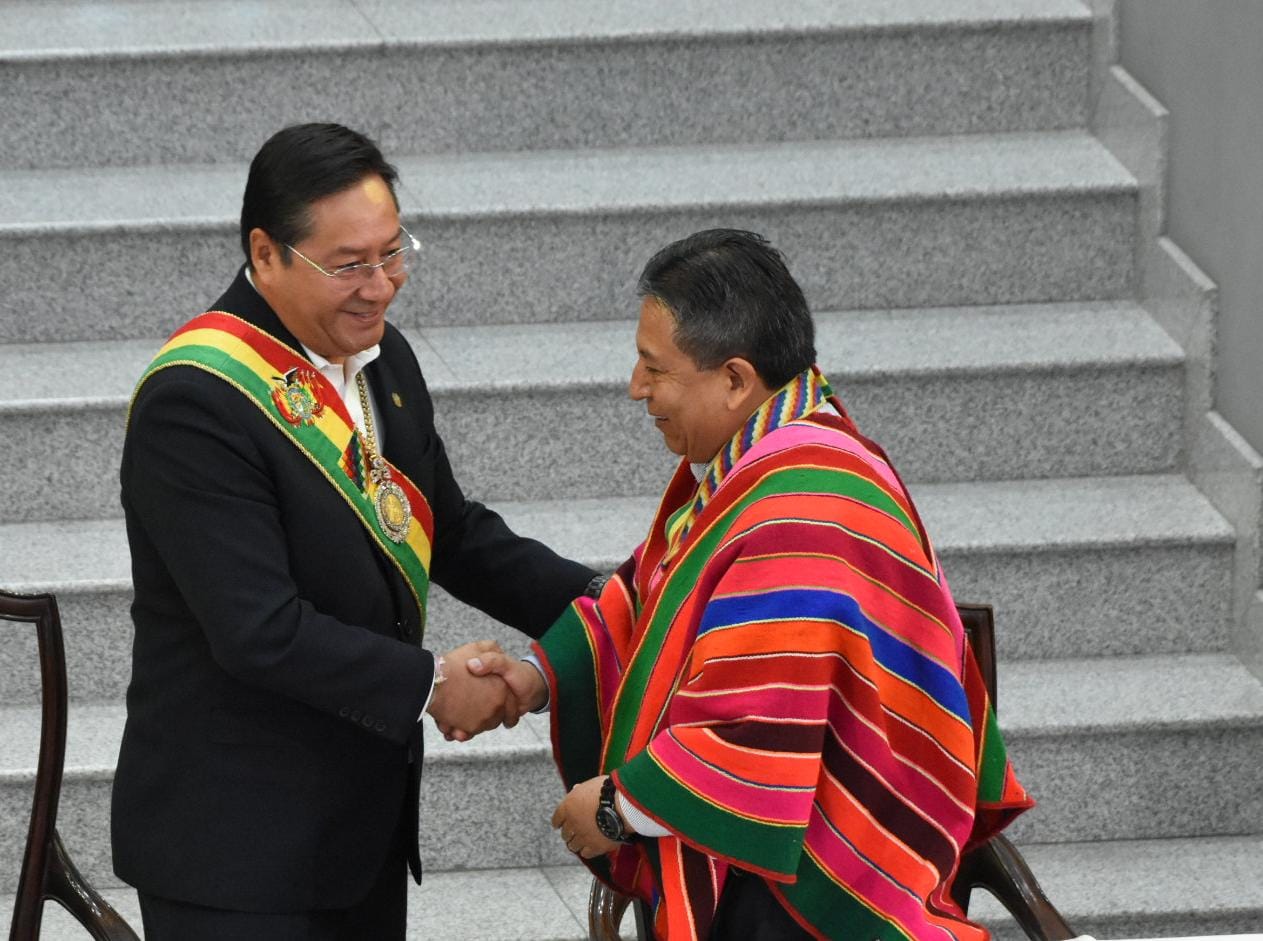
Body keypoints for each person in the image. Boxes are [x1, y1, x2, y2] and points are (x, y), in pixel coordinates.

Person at [111, 122, 597, 940]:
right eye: (349, 265)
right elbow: (260, 631)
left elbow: (451, 531)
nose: (381, 287)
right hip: (235, 849)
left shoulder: (381, 357)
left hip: (359, 828)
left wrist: (613, 601)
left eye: (392, 253)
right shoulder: (195, 401)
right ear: (265, 254)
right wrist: (434, 683)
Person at [475, 229, 1033, 940]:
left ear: (735, 379)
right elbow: (650, 594)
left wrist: (617, 808)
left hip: (817, 866)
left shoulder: (801, 508)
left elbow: (756, 729)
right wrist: (533, 678)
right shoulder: (779, 443)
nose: (636, 387)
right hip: (793, 824)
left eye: (654, 367)